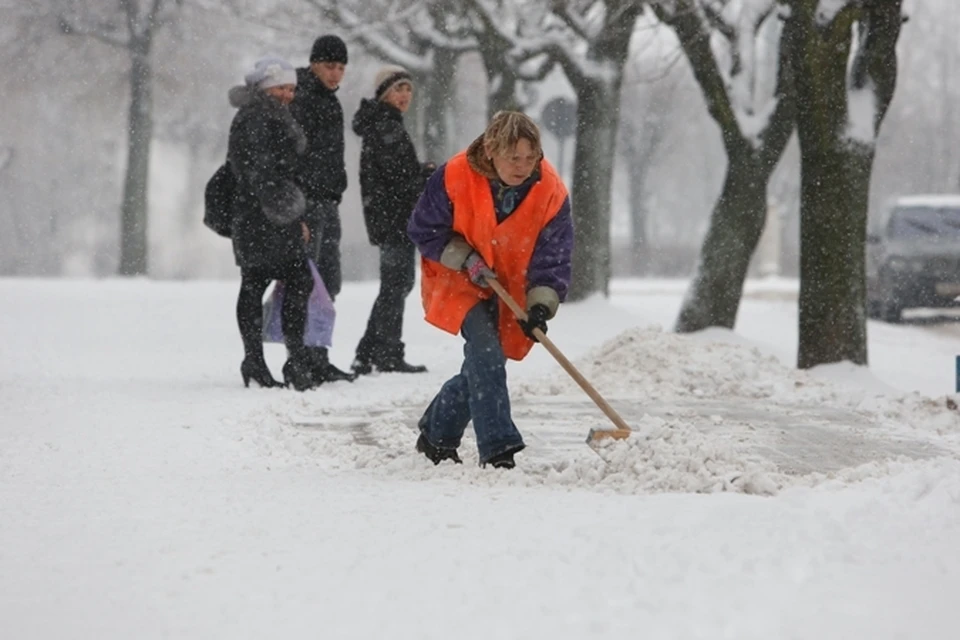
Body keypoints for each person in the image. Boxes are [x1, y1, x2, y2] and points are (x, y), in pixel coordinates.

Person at [407, 111, 574, 469]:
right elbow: (423, 229)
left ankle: (436, 435)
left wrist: (540, 306)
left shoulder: (551, 193)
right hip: (457, 278)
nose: (523, 166)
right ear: (492, 150)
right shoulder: (454, 176)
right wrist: (465, 258)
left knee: (487, 362)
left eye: (530, 158)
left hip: (509, 286)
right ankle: (499, 449)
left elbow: (554, 256)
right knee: (485, 351)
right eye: (514, 157)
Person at [227, 56, 317, 392]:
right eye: (281, 87)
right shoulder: (258, 118)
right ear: (265, 87)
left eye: (292, 88)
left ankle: (261, 360)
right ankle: (290, 361)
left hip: (257, 215)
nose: (288, 94)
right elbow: (263, 173)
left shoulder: (263, 114)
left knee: (256, 283)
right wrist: (292, 213)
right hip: (266, 216)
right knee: (291, 279)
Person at [350, 66, 433, 375]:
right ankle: (384, 353)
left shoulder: (384, 124)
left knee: (396, 284)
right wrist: (426, 174)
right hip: (394, 216)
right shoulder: (387, 126)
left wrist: (419, 171)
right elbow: (400, 180)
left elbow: (396, 175)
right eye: (398, 88)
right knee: (396, 283)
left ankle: (370, 352)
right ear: (384, 92)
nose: (405, 95)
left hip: (387, 215)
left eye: (408, 89)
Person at [290, 34, 354, 383]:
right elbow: (297, 156)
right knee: (306, 282)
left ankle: (318, 353)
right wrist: (298, 207)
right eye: (330, 66)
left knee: (328, 281)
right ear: (314, 63)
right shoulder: (301, 98)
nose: (336, 74)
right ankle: (300, 357)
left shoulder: (330, 101)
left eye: (341, 67)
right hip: (307, 202)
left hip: (328, 201)